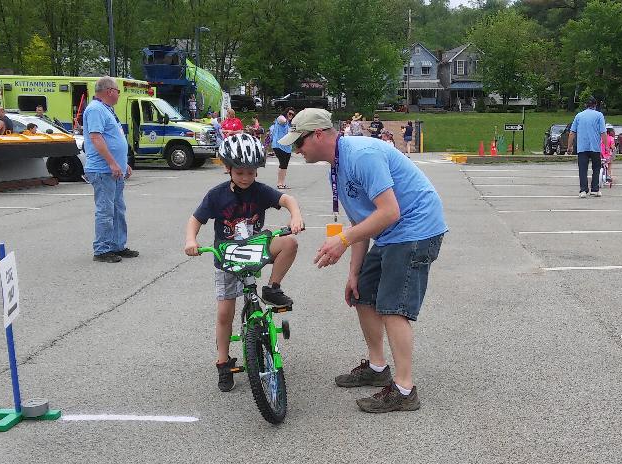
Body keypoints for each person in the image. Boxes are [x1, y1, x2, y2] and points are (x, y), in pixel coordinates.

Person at [279, 108, 448, 414]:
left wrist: (342, 240)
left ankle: (404, 390)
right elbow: (361, 221)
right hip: (391, 233)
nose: (296, 150)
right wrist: (354, 273)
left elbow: (389, 212)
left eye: (299, 142)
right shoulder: (337, 166)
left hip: (415, 229)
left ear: (318, 135)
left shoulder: (362, 156)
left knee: (393, 307)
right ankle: (377, 367)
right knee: (363, 293)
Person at [184, 133, 304, 392]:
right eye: (239, 172)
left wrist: (295, 216)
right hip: (227, 257)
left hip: (254, 250)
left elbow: (287, 200)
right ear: (228, 168)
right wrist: (191, 240)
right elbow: (196, 219)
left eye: (251, 172)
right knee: (224, 313)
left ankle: (272, 288)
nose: (246, 178)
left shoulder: (260, 191)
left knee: (289, 243)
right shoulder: (216, 195)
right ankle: (223, 362)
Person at [83, 76, 137, 263]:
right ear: (109, 91)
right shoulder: (95, 109)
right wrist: (112, 163)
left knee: (118, 209)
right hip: (103, 169)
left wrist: (122, 163)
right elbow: (96, 138)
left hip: (113, 170)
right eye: (118, 91)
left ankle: (117, 245)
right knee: (106, 211)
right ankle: (102, 249)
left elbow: (113, 138)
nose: (119, 94)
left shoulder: (106, 109)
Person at [567, 96, 607, 198]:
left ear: (585, 105)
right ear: (595, 105)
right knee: (596, 168)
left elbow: (572, 132)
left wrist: (569, 146)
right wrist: (606, 146)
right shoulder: (599, 115)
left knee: (582, 169)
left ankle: (583, 190)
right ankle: (594, 189)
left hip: (582, 147)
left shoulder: (579, 116)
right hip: (595, 147)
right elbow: (603, 132)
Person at [269, 109, 295, 190]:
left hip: (287, 147)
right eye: (290, 113)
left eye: (292, 114)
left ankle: (282, 183)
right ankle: (279, 183)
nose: (291, 115)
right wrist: (288, 120)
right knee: (283, 163)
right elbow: (282, 120)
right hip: (278, 145)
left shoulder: (290, 124)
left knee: (285, 165)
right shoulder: (280, 118)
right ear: (286, 113)